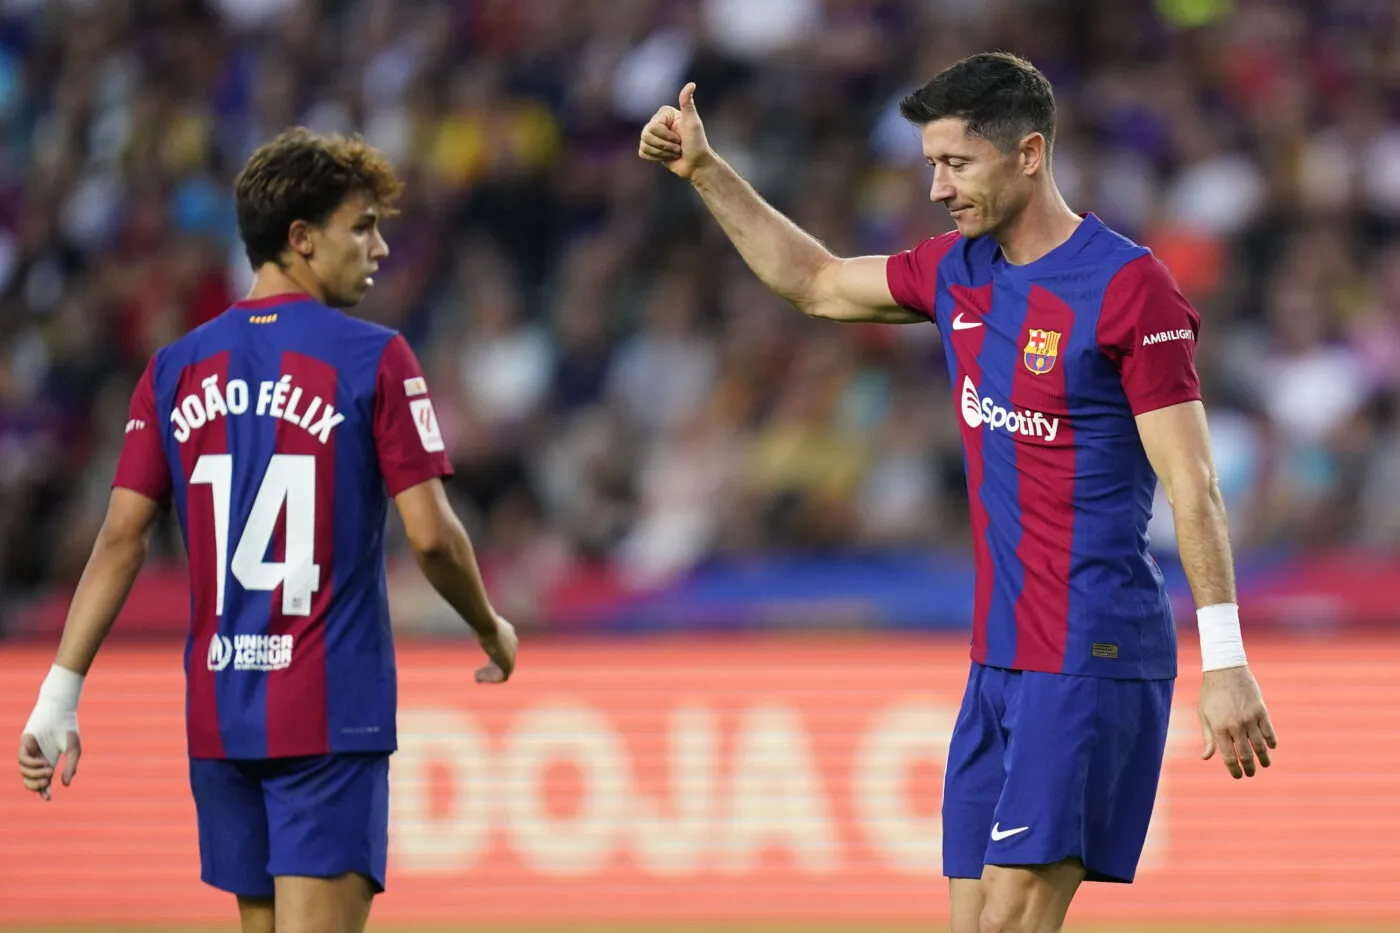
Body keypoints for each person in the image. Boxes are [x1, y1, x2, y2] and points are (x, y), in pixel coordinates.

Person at [639, 53, 1277, 933]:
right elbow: (816, 282)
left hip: (1089, 647)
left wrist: (1227, 659)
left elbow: (1193, 483)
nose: (936, 187)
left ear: (1029, 154)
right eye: (931, 164)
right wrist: (707, 171)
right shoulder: (958, 270)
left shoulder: (1131, 289)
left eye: (956, 163)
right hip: (997, 657)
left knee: (1010, 922)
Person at [17, 127, 518, 933]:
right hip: (329, 714)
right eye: (363, 227)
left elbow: (119, 537)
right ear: (302, 237)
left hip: (222, 715)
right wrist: (489, 625)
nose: (381, 248)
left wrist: (59, 692)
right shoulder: (375, 357)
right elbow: (430, 536)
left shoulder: (173, 369)